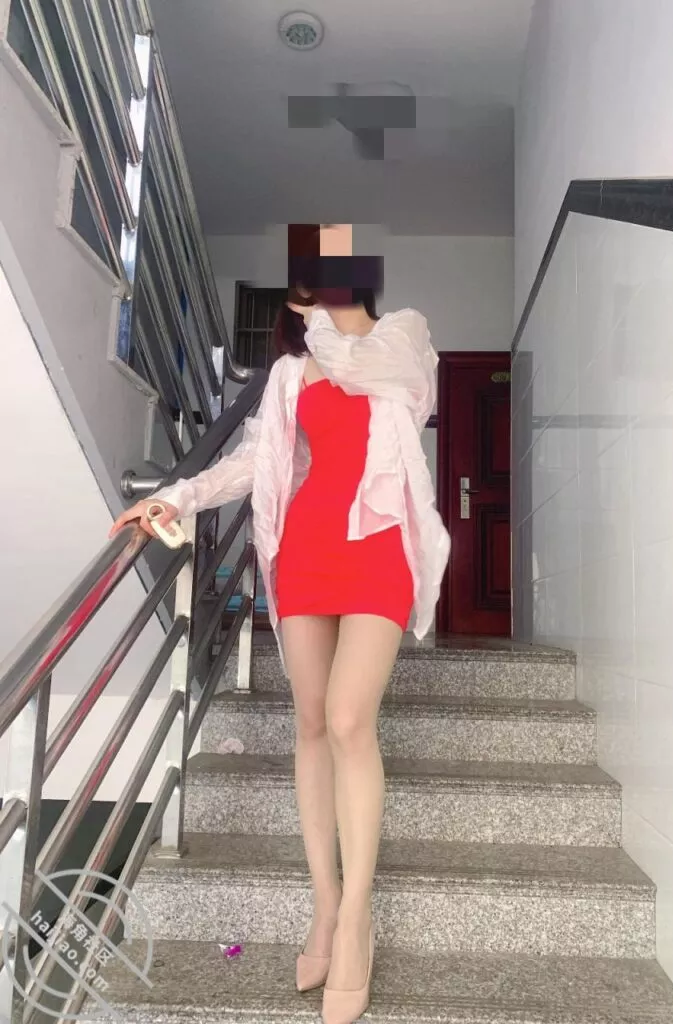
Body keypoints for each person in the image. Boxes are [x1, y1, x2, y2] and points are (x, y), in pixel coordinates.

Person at [110, 283, 450, 1024]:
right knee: (312, 723)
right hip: (307, 548)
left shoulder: (403, 333)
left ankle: (356, 921)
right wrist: (177, 497)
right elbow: (254, 459)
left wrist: (323, 319)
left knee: (350, 718)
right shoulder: (292, 373)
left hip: (379, 545)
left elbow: (382, 374)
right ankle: (325, 906)